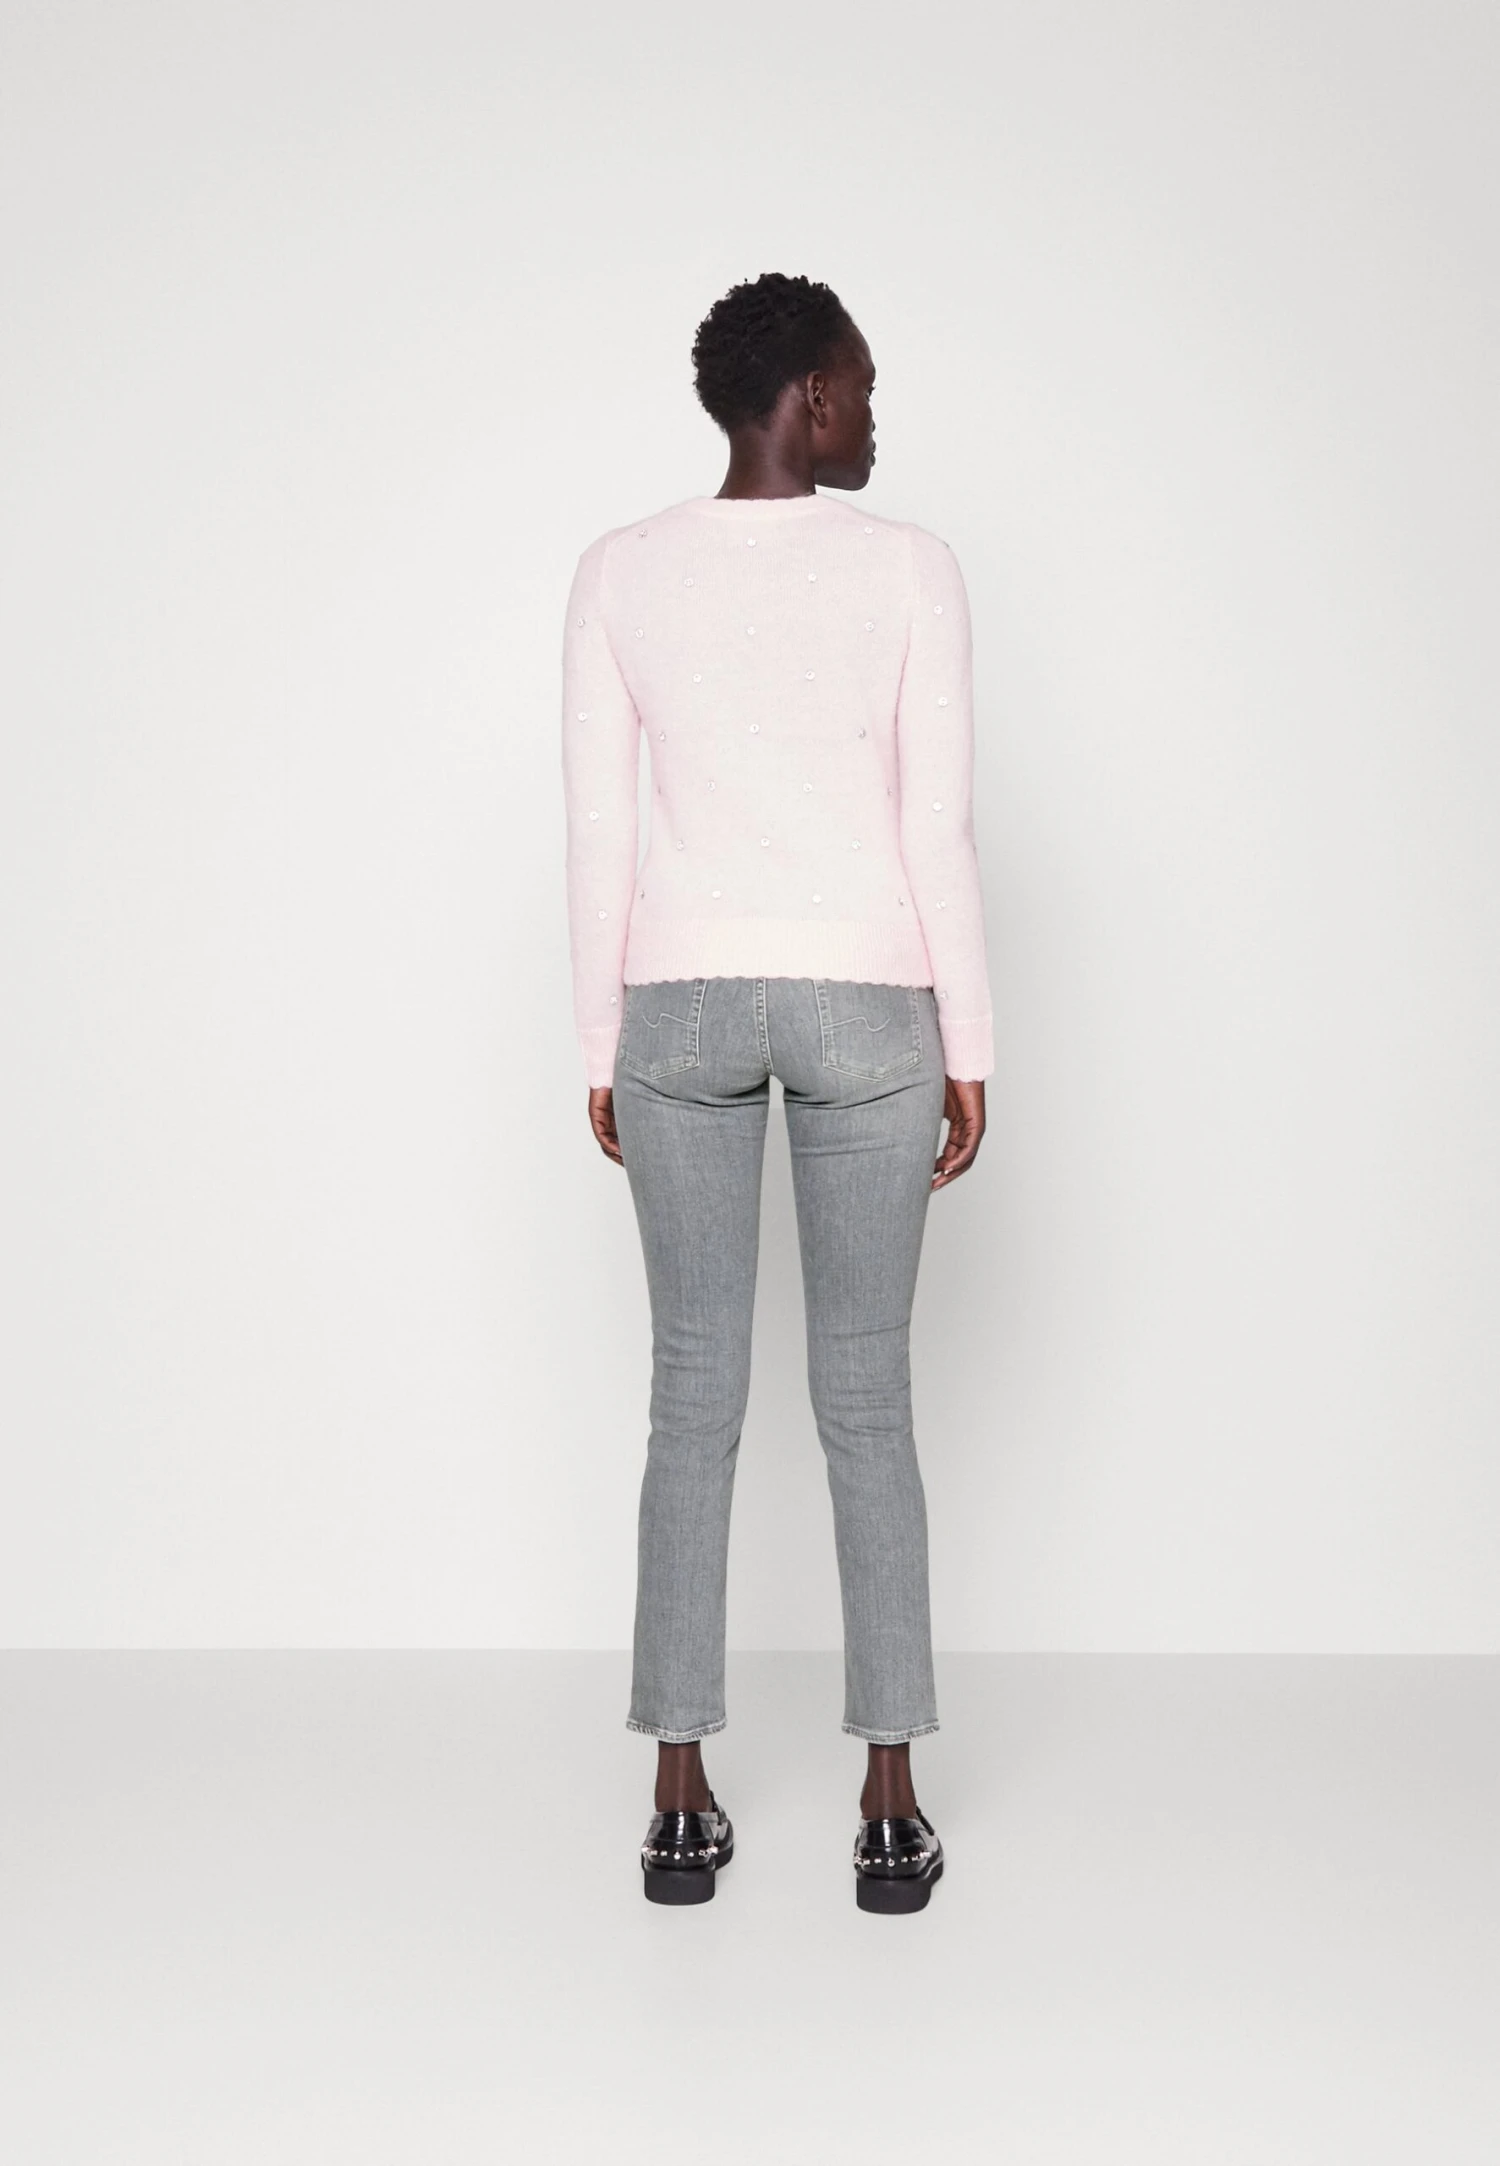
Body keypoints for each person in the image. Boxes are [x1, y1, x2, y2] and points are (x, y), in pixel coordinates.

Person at [559, 272, 993, 1914]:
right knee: (867, 1400)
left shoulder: (621, 569)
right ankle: (890, 1801)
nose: (874, 413)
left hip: (675, 1003)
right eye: (861, 384)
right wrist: (969, 1042)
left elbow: (600, 826)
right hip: (869, 1005)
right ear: (807, 393)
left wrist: (597, 1042)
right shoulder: (910, 568)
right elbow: (935, 821)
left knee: (692, 1398)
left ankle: (679, 1797)